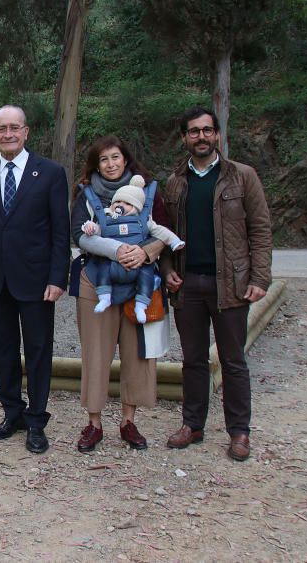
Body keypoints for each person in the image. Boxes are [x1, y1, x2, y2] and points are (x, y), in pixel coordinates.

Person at [161, 108, 272, 462]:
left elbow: (261, 229)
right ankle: (192, 425)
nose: (201, 137)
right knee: (192, 360)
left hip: (232, 285)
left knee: (233, 360)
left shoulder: (242, 176)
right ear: (184, 138)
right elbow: (163, 234)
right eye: (194, 132)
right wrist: (166, 270)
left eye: (207, 130)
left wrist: (259, 278)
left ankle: (239, 432)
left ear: (218, 135)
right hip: (187, 283)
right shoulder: (175, 182)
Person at [0, 105, 70, 454]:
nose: (8, 134)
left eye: (14, 128)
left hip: (38, 281)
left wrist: (59, 276)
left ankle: (37, 420)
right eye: (1, 129)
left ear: (26, 132)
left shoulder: (51, 173)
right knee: (3, 351)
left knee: (39, 351)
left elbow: (60, 231)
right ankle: (13, 413)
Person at [70, 135, 171, 452]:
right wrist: (121, 250)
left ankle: (129, 420)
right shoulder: (84, 194)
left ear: (126, 159)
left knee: (138, 353)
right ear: (95, 164)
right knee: (95, 353)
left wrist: (146, 253)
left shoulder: (150, 192)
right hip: (96, 280)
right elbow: (78, 234)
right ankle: (94, 422)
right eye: (104, 159)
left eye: (115, 157)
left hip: (140, 280)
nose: (110, 164)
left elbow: (165, 233)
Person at [81, 174, 185, 321]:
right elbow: (96, 230)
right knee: (103, 269)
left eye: (127, 203)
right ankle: (104, 296)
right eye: (118, 201)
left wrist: (174, 241)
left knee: (146, 276)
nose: (121, 206)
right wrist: (90, 227)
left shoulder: (144, 222)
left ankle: (141, 305)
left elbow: (162, 232)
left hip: (139, 263)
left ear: (136, 206)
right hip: (113, 262)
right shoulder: (107, 218)